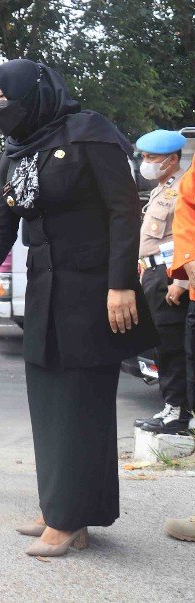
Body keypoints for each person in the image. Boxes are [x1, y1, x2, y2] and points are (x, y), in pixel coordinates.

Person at [0, 58, 157, 558]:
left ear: (36, 91)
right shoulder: (16, 152)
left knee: (81, 402)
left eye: (5, 95)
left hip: (95, 292)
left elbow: (123, 209)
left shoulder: (90, 132)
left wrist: (121, 285)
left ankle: (71, 519)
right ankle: (60, 506)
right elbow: (2, 225)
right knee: (48, 401)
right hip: (45, 293)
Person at [132, 130, 191, 434]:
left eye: (151, 157)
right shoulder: (162, 188)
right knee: (161, 343)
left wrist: (180, 280)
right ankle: (172, 406)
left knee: (171, 345)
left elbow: (185, 237)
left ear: (172, 159)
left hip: (170, 275)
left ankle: (177, 411)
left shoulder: (183, 188)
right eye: (143, 156)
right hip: (153, 274)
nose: (145, 162)